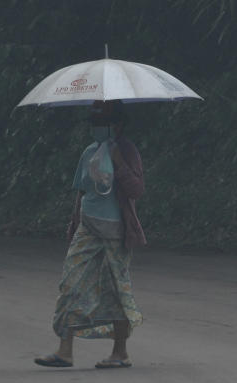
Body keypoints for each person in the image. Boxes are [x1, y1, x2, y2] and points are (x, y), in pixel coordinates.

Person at [35, 100, 147, 369]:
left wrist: (119, 164)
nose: (97, 129)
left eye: (102, 124)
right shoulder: (89, 152)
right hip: (88, 229)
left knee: (116, 291)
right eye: (94, 124)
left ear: (116, 125)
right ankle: (65, 351)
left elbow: (136, 190)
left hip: (115, 232)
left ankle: (120, 353)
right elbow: (81, 191)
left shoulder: (127, 151)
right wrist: (75, 222)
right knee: (71, 284)